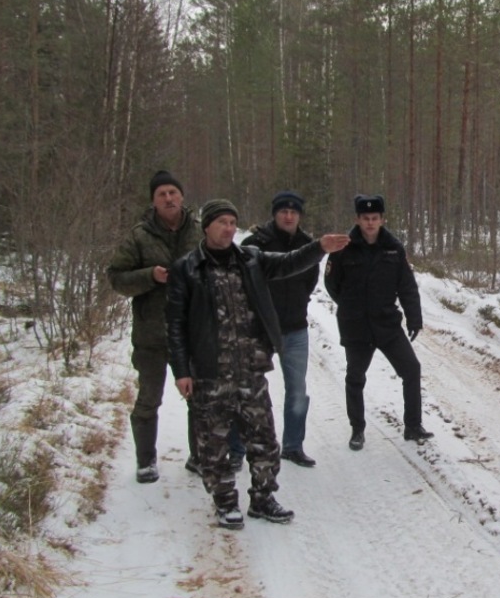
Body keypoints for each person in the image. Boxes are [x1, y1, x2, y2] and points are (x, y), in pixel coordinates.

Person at [166, 199, 349, 529]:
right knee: (214, 447)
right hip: (210, 374)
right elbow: (175, 324)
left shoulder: (249, 259)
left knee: (264, 441)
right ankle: (225, 503)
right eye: (221, 222)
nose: (228, 228)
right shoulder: (187, 268)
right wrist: (181, 371)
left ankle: (263, 498)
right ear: (206, 226)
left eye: (233, 222)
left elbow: (288, 262)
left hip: (251, 370)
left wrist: (319, 247)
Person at [107, 170, 203, 484]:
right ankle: (146, 460)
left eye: (173, 192)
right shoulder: (139, 235)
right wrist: (150, 276)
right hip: (151, 332)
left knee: (199, 398)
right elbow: (117, 278)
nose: (168, 198)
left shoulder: (199, 232)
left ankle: (199, 456)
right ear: (153, 200)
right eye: (161, 194)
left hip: (192, 332)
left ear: (182, 197)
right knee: (149, 397)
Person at [324, 194, 433, 451]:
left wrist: (414, 318)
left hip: (387, 324)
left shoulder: (394, 247)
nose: (370, 223)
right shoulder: (343, 247)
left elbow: (406, 286)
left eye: (375, 218)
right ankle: (357, 429)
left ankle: (413, 426)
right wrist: (351, 305)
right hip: (357, 325)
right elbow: (331, 284)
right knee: (355, 377)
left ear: (383, 219)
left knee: (411, 370)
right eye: (365, 218)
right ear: (357, 219)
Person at [242, 191, 319, 468]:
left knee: (297, 390)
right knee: (248, 389)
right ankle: (239, 448)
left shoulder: (308, 245)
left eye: (294, 212)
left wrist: (296, 303)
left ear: (299, 215)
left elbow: (310, 280)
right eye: (283, 212)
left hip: (295, 328)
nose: (288, 216)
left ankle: (293, 446)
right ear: (274, 213)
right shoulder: (256, 243)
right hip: (260, 328)